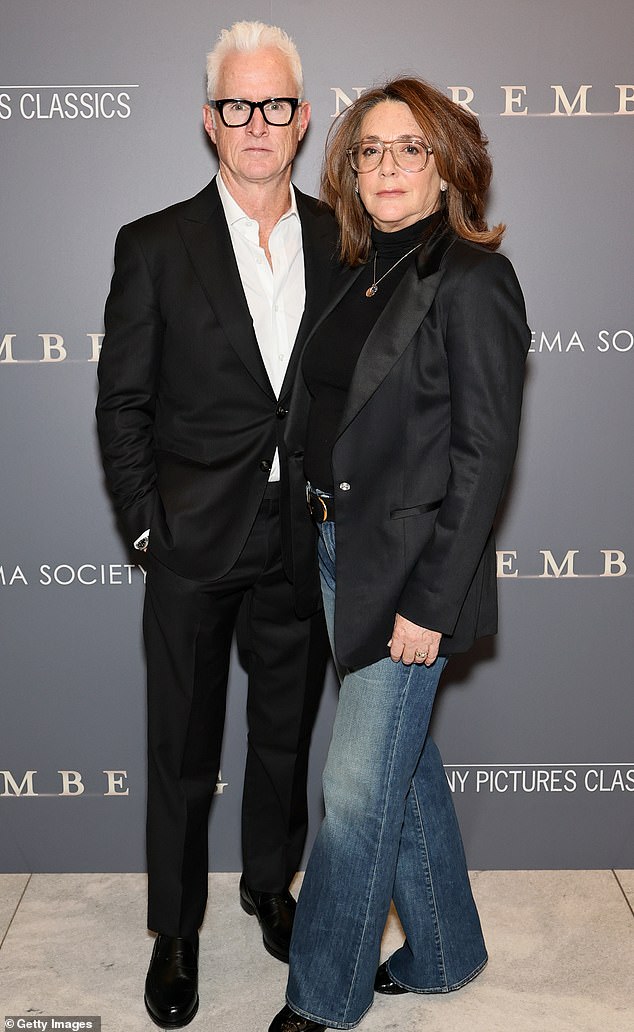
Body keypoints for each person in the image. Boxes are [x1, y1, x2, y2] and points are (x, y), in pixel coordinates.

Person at [269, 77, 531, 1032]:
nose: (386, 166)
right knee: (399, 769)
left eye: (410, 148)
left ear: (447, 166)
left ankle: (324, 996)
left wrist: (431, 600)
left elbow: (484, 456)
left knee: (352, 784)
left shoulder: (471, 279)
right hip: (341, 551)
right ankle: (448, 952)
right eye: (370, 149)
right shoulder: (354, 269)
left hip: (413, 576)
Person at [96, 21, 338, 1030]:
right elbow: (123, 407)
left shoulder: (342, 237)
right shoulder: (153, 244)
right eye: (236, 105)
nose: (255, 123)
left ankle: (268, 887)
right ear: (209, 121)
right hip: (194, 539)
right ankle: (179, 932)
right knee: (183, 754)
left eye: (274, 104)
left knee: (284, 738)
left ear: (301, 118)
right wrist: (148, 531)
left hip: (303, 532)